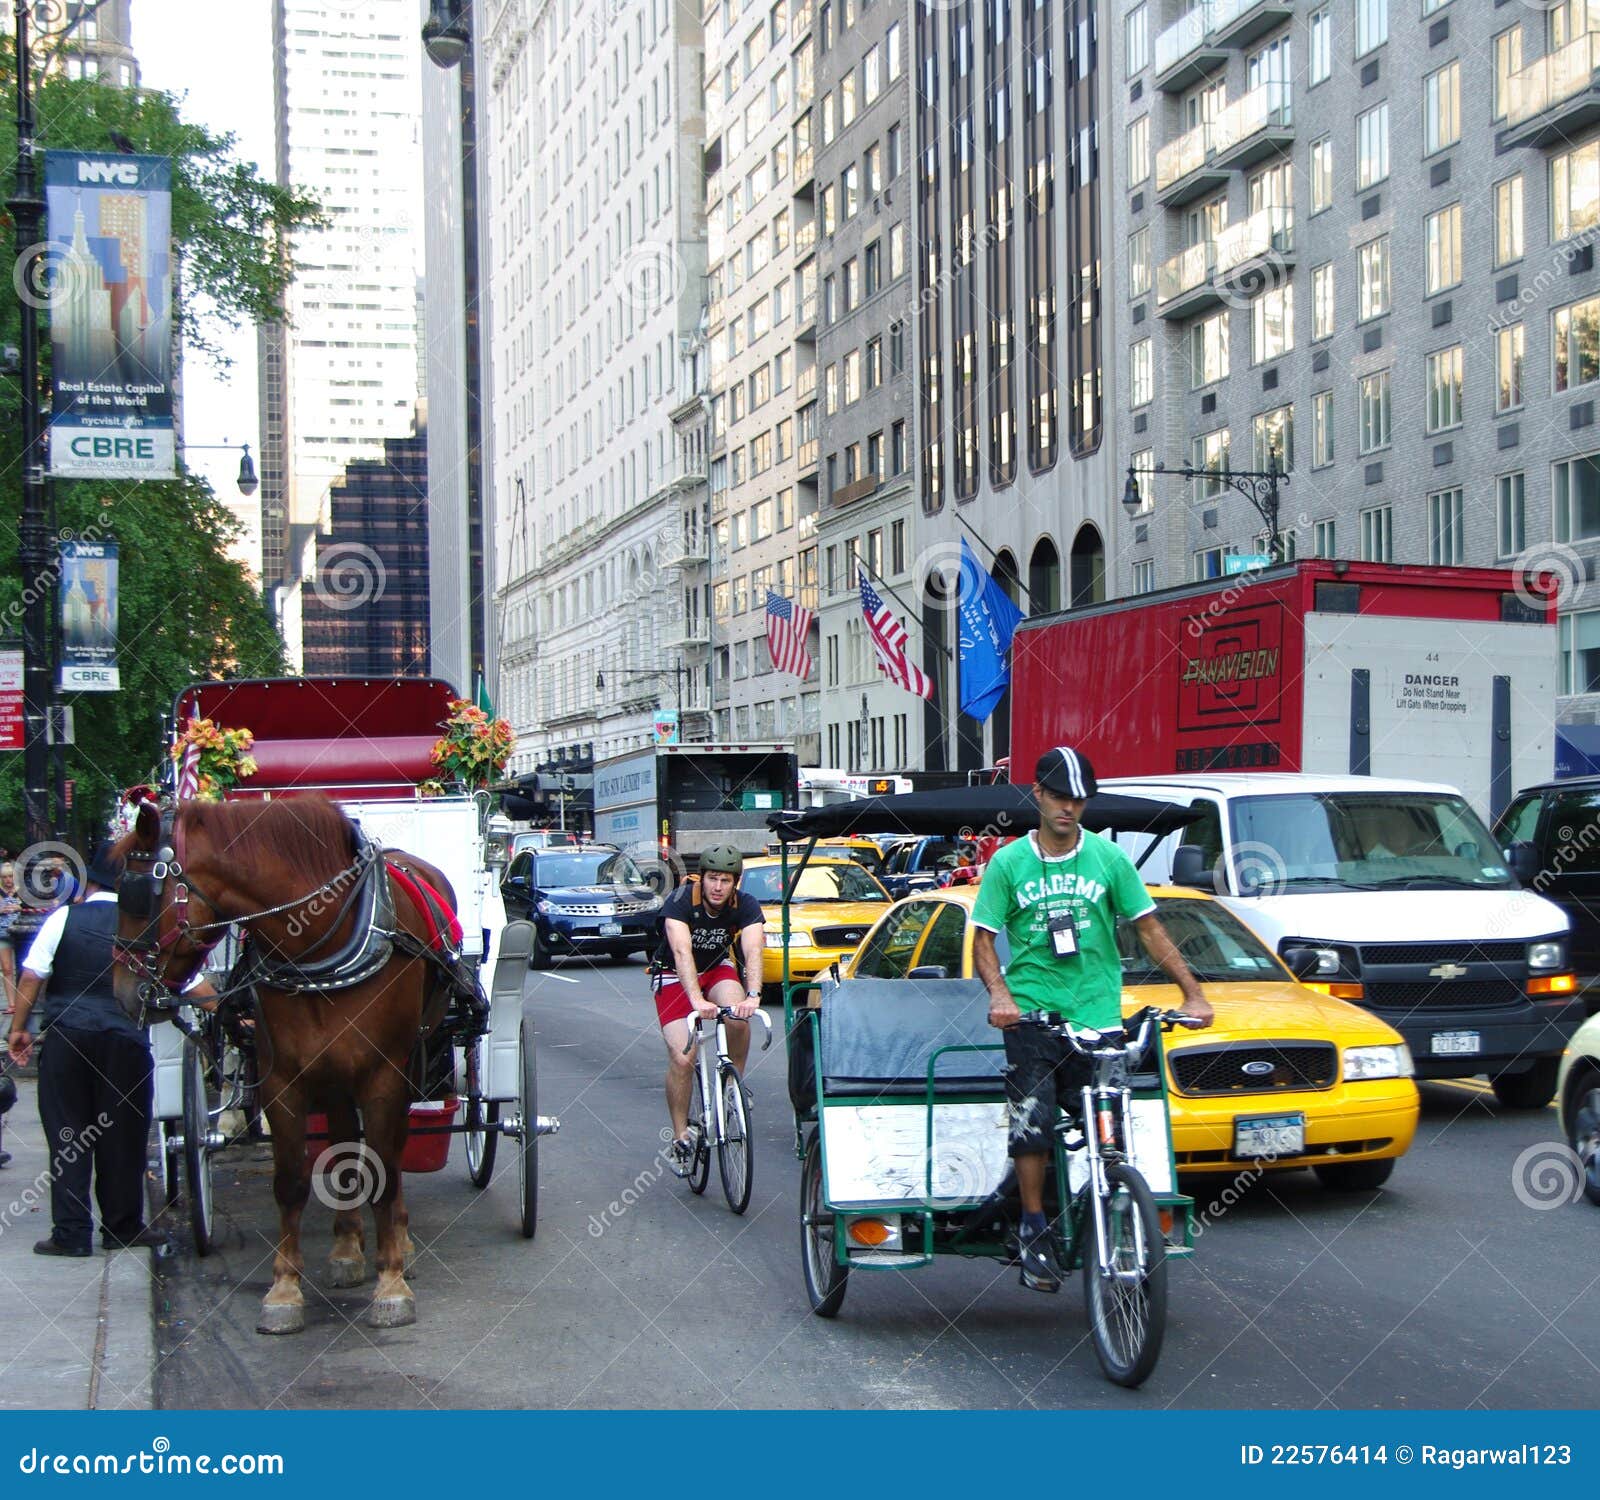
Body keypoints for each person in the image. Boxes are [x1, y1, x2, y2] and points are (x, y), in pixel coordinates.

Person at [971, 747, 1215, 1294]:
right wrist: (1000, 996)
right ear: (1038, 794)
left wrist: (1192, 994)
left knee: (1111, 1124)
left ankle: (1113, 1199)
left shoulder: (1108, 859)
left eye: (1078, 800)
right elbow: (983, 940)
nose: (1069, 809)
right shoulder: (1010, 863)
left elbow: (1150, 929)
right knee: (1032, 1126)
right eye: (1059, 797)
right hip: (1033, 1017)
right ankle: (1034, 1225)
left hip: (1098, 1016)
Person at [8, 841, 167, 1255]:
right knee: (125, 1136)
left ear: (89, 883)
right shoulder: (150, 924)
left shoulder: (64, 916)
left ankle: (72, 1234)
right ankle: (122, 1227)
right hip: (125, 1042)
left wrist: (18, 1030)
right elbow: (184, 982)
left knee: (68, 1135)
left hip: (68, 1038)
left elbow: (31, 976)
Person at [650, 845, 765, 1175]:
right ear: (702, 878)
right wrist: (698, 1001)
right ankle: (680, 1136)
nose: (718, 887)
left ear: (736, 883)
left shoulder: (746, 904)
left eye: (725, 880)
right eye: (713, 879)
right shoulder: (681, 900)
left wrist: (753, 995)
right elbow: (682, 952)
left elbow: (753, 948)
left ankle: (734, 1088)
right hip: (673, 973)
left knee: (739, 1017)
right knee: (683, 1057)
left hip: (717, 968)